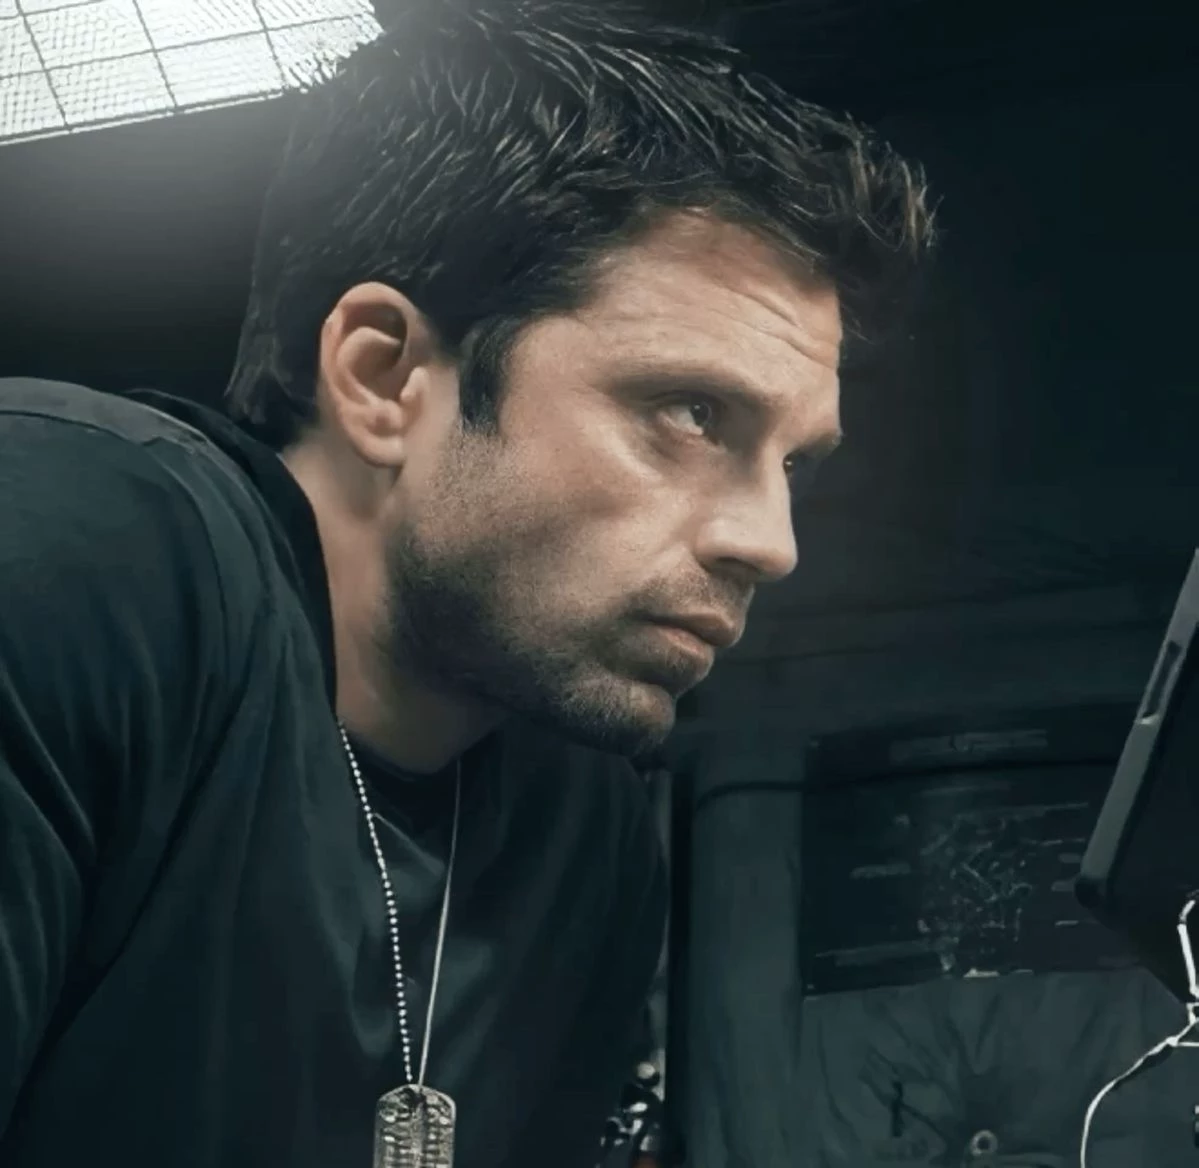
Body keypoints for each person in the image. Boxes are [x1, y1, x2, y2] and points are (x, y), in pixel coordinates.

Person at [0, 2, 933, 1166]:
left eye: (790, 464)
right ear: (385, 377)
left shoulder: (582, 826)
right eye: (692, 413)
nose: (769, 541)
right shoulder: (74, 552)